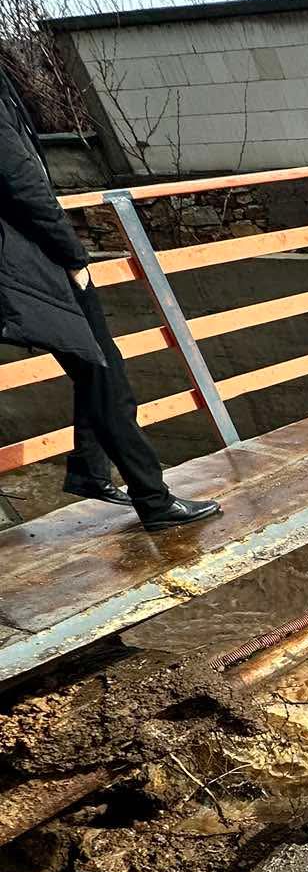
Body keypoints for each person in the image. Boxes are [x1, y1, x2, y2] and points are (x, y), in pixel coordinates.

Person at [0, 63, 219, 531]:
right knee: (105, 374)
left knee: (96, 370)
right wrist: (72, 254)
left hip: (25, 261)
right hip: (30, 263)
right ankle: (153, 501)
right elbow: (20, 179)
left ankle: (94, 473)